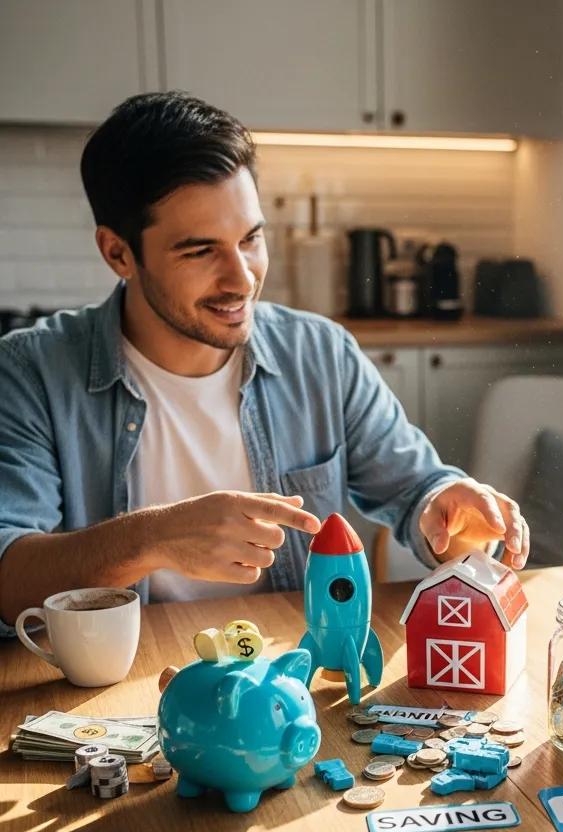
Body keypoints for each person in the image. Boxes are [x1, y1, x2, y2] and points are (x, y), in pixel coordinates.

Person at [0, 91, 530, 635]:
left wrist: (451, 508)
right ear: (118, 253)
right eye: (200, 251)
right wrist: (152, 538)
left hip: (288, 677)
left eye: (251, 239)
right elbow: (6, 575)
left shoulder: (321, 353)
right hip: (116, 692)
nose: (242, 278)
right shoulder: (31, 373)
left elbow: (417, 489)